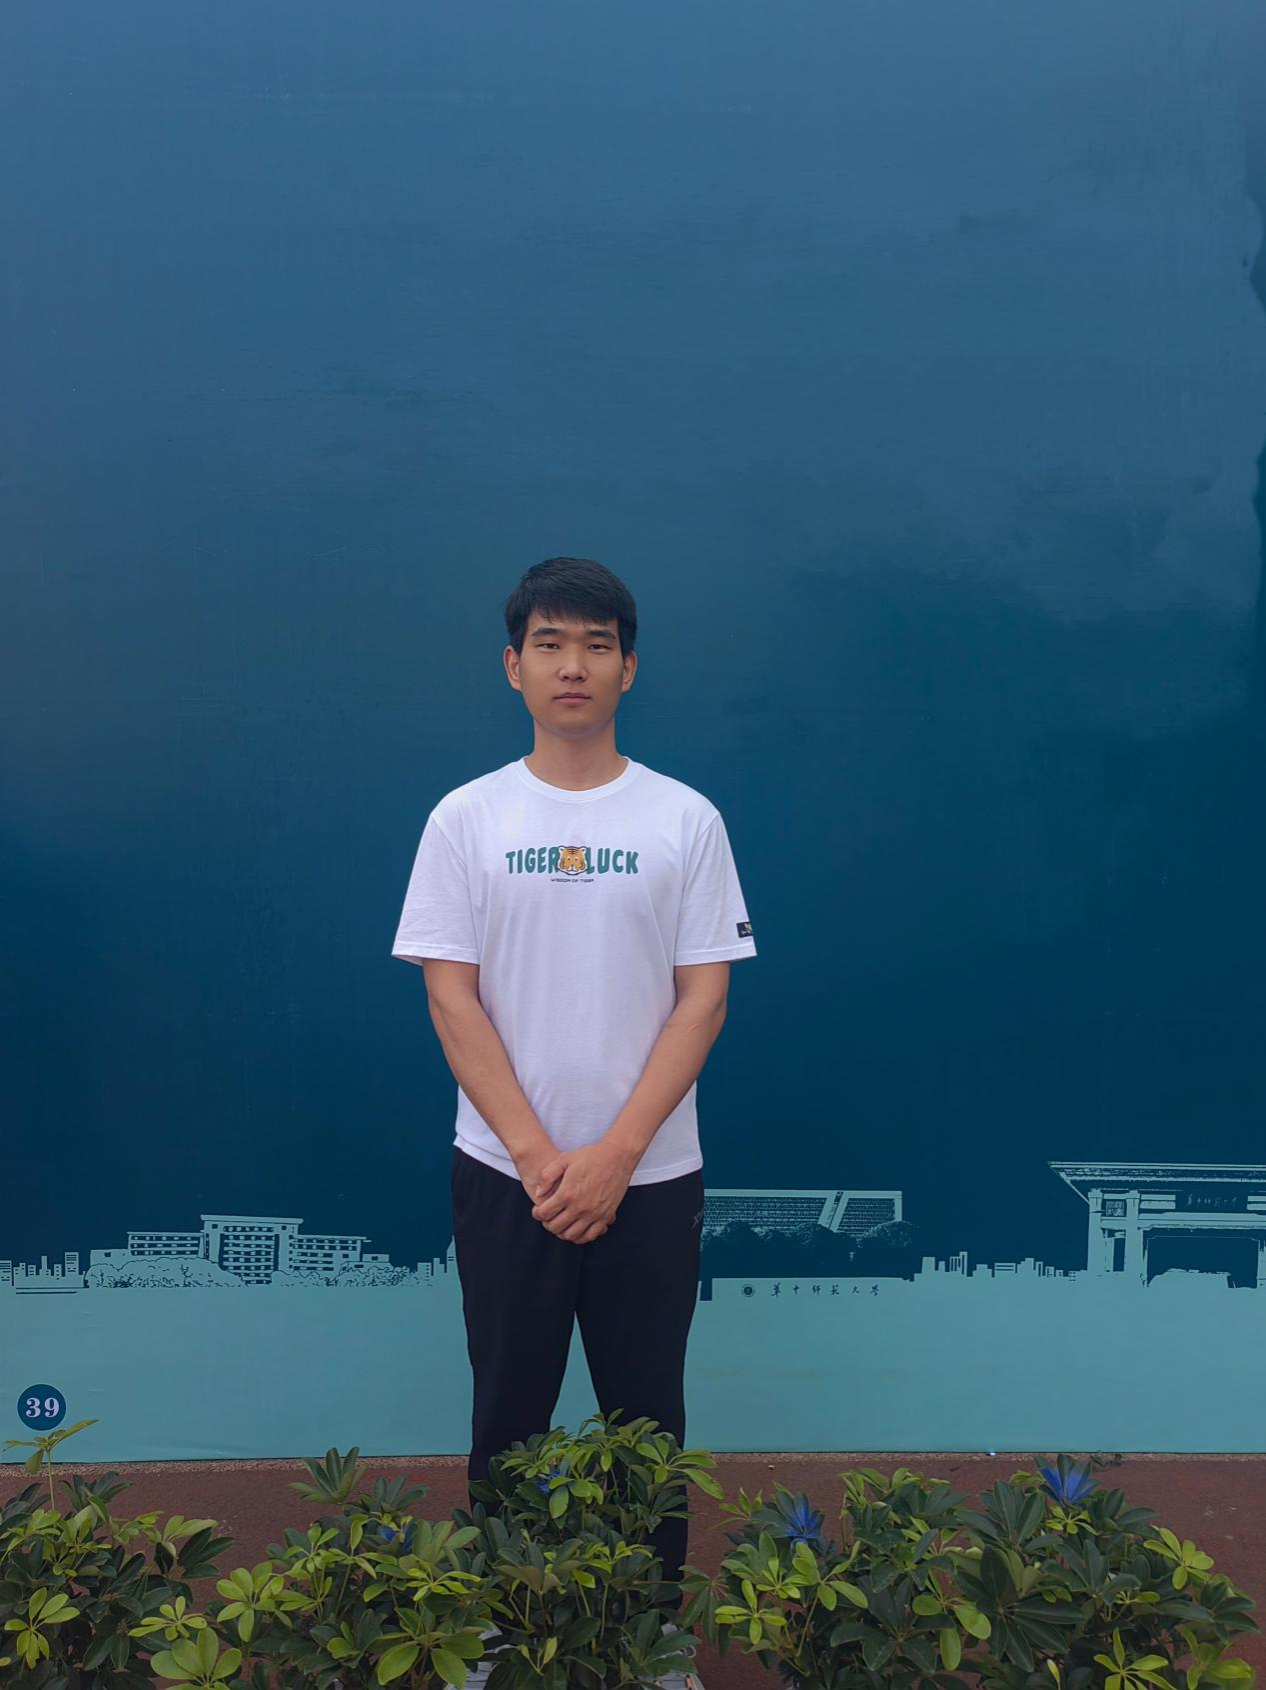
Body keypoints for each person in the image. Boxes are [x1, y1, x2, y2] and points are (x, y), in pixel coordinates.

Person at [390, 556, 757, 1683]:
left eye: (597, 645)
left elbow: (704, 999)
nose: (573, 666)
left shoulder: (685, 819)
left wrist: (615, 1156)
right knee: (509, 1415)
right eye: (550, 644)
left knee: (647, 1422)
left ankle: (651, 1641)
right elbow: (450, 996)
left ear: (628, 669)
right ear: (513, 666)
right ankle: (501, 1629)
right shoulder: (467, 817)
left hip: (652, 1177)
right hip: (508, 1176)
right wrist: (543, 1157)